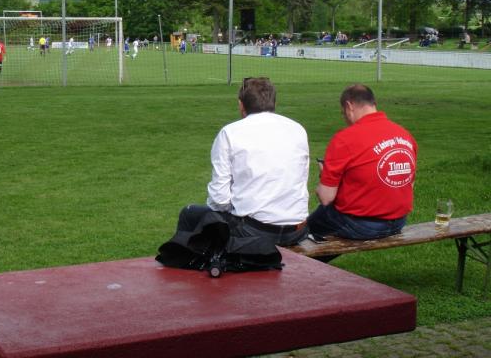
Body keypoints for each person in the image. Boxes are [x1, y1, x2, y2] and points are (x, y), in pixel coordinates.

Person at [156, 78, 310, 275]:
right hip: (297, 229)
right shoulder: (297, 129)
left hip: (257, 232)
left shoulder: (231, 133)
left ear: (241, 104)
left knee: (190, 214)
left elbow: (219, 200)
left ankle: (186, 280)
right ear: (274, 102)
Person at [307, 84, 418, 243]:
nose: (344, 118)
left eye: (342, 113)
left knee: (305, 232)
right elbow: (408, 183)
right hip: (399, 221)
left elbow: (326, 197)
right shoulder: (405, 135)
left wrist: (324, 176)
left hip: (361, 225)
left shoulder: (345, 139)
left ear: (349, 106)